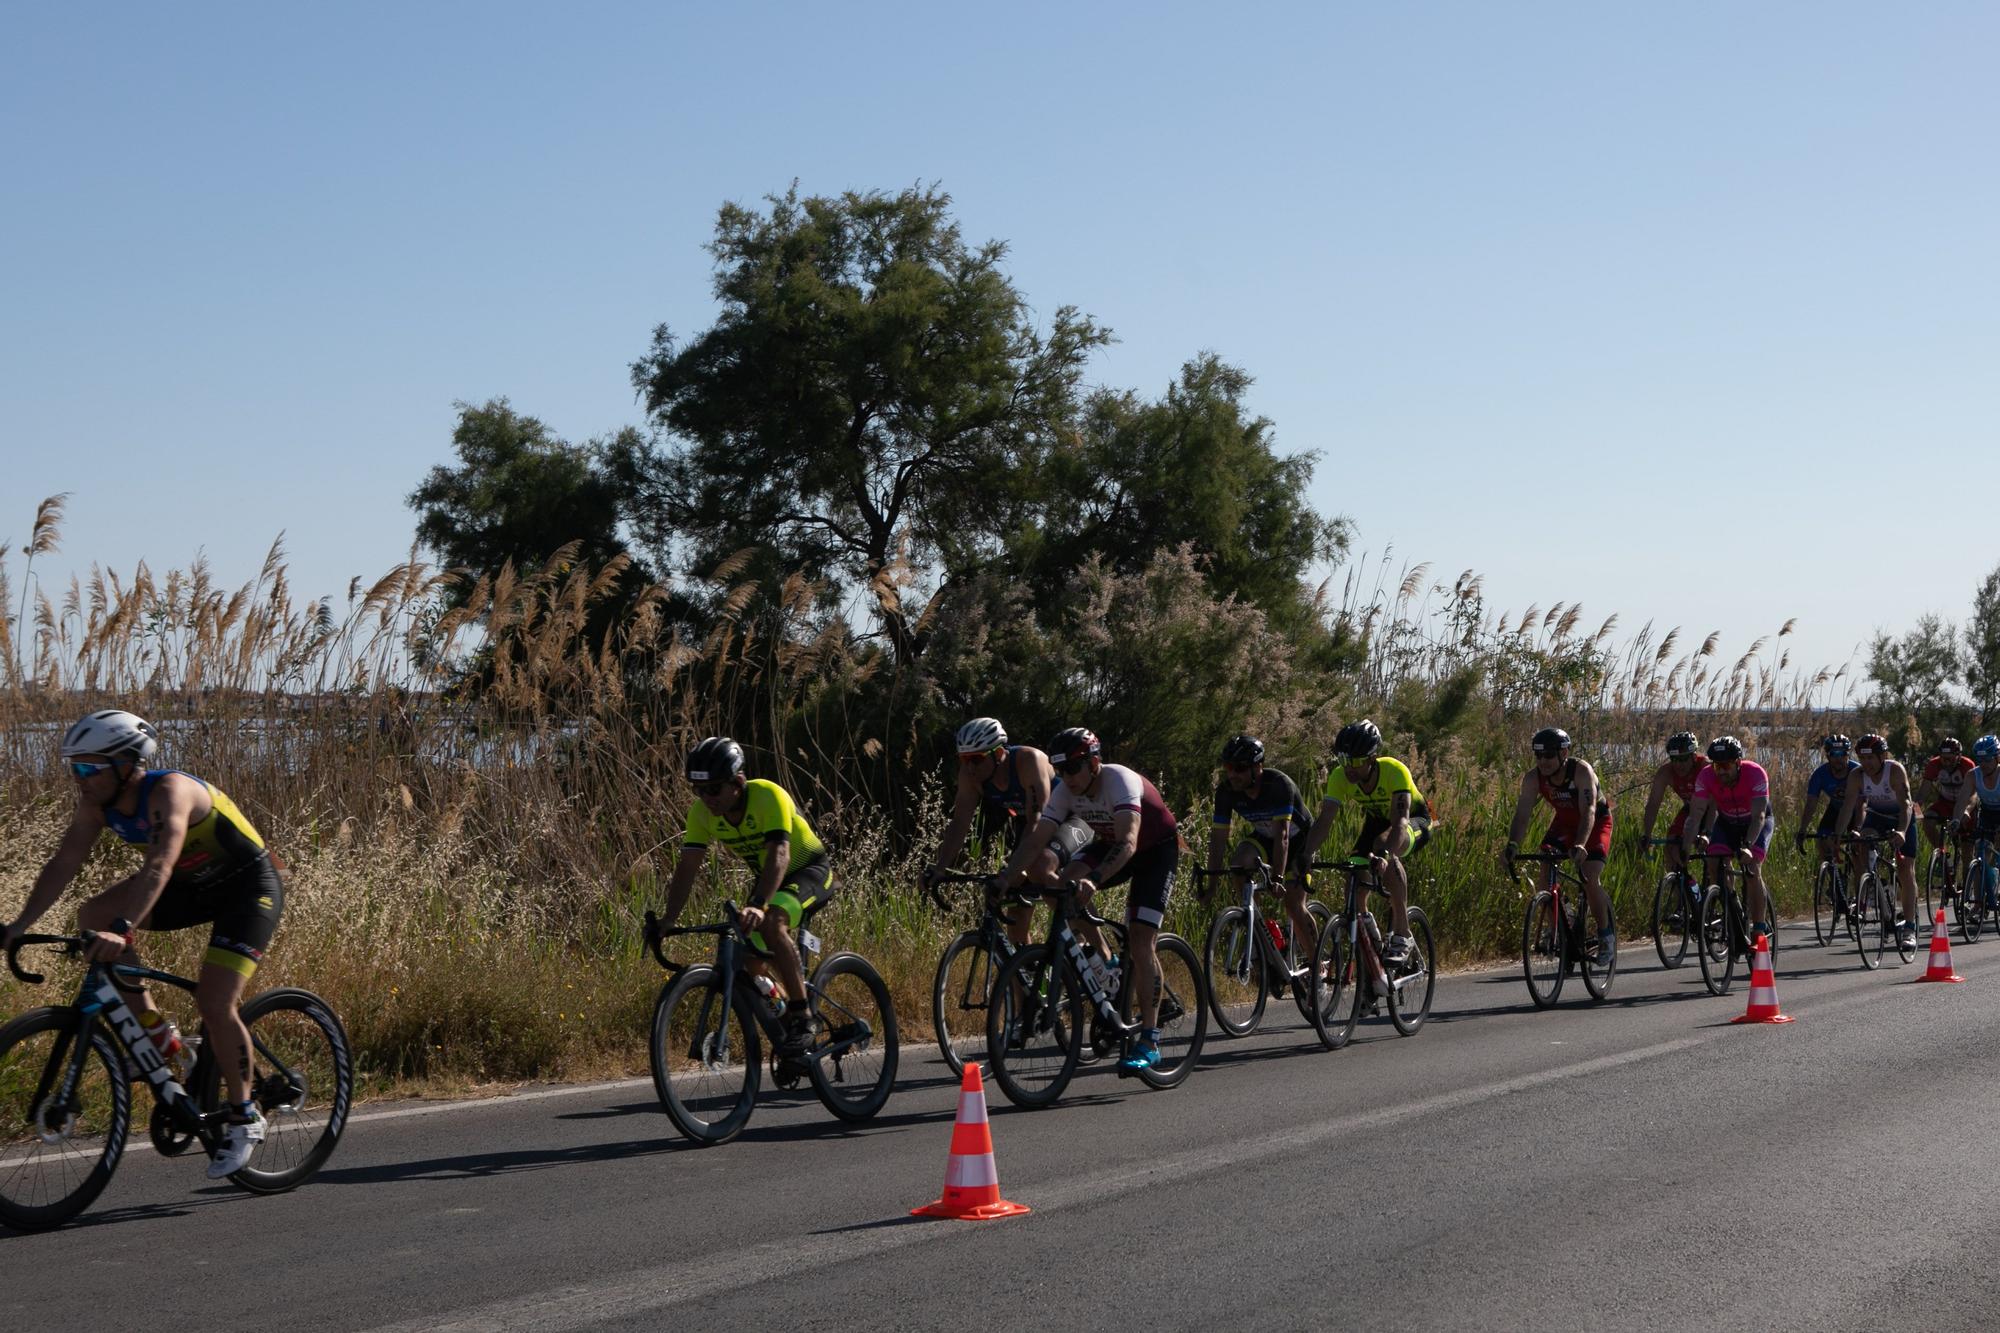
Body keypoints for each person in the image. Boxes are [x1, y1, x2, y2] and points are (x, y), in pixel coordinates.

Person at [2, 709, 283, 1177]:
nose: (81, 779)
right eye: (75, 768)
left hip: (245, 888)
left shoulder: (170, 792)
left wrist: (125, 927)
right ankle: (156, 1032)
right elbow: (63, 862)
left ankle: (244, 1113)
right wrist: (19, 923)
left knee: (216, 1001)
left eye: (90, 768)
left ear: (128, 764)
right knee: (90, 915)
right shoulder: (96, 804)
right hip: (190, 888)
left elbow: (160, 863)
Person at [991, 728, 1180, 1073]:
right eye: (1060, 770)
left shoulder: (1118, 781)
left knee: (1140, 940)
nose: (1067, 777)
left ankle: (1150, 1040)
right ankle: (1105, 964)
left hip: (1152, 851)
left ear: (1094, 762)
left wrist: (1093, 880)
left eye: (1073, 768)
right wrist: (1005, 878)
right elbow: (1035, 843)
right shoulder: (1066, 790)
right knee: (1060, 885)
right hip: (1110, 843)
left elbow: (1128, 843)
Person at [659, 737, 832, 1077]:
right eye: (698, 790)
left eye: (713, 789)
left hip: (809, 870)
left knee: (772, 922)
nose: (706, 799)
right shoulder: (702, 814)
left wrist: (757, 904)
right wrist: (667, 919)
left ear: (738, 783)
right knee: (749, 961)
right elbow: (687, 868)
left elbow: (780, 856)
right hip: (771, 881)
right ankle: (791, 1039)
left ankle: (803, 1020)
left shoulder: (769, 795)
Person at [926, 717, 1094, 948]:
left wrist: (1014, 871)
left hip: (1070, 818)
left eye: (976, 759)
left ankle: (1089, 938)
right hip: (1030, 827)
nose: (969, 767)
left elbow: (1037, 822)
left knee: (1039, 867)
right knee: (1016, 921)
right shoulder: (970, 776)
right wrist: (939, 867)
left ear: (998, 754)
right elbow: (959, 824)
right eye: (964, 760)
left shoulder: (1028, 761)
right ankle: (1024, 975)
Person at [1292, 720, 1431, 983]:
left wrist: (1387, 856)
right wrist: (1307, 853)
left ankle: (1403, 935)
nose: (1349, 768)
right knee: (1353, 878)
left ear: (1372, 758)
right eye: (1344, 760)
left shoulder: (1394, 771)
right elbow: (1325, 820)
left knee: (1384, 848)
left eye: (1355, 762)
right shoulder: (1340, 776)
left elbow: (1400, 821)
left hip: (1414, 821)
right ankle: (1372, 949)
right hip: (1377, 823)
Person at [1204, 734, 1315, 981]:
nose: (1232, 774)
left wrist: (1277, 877)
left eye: (1240, 769)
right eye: (1228, 768)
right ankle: (1258, 931)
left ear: (1258, 767)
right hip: (1265, 835)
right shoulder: (1226, 791)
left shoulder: (1279, 785)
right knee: (1238, 863)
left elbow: (1283, 836)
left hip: (1298, 840)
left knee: (1293, 904)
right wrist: (1211, 882)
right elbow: (1218, 838)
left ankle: (1317, 967)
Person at [1506, 726, 1616, 961]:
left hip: (1595, 823)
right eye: (1538, 756)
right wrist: (1513, 845)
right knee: (1545, 869)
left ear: (1563, 753)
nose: (1542, 761)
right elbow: (1522, 815)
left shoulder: (1581, 771)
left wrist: (1581, 844)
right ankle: (1558, 920)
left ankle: (1606, 934)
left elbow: (1589, 811)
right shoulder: (1533, 778)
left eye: (1548, 755)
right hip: (1564, 823)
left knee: (1589, 876)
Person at [1681, 735, 1777, 944]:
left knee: (1752, 869)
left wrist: (1748, 846)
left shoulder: (1755, 773)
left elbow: (1759, 816)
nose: (1721, 771)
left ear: (1738, 763)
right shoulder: (1706, 777)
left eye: (1726, 765)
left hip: (1755, 824)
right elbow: (1695, 815)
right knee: (1714, 862)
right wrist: (1685, 846)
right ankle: (1730, 906)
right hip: (1727, 822)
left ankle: (1759, 928)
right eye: (1717, 766)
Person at [1835, 733, 1919, 950]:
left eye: (1871, 758)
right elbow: (1848, 807)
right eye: (1862, 759)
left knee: (1905, 869)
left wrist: (1901, 831)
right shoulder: (1856, 775)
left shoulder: (1895, 771)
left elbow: (1907, 805)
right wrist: (1839, 835)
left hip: (1901, 817)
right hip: (1877, 816)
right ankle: (1873, 886)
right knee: (1862, 842)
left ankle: (1909, 927)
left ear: (1882, 756)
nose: (1866, 764)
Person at [1637, 731, 1708, 877]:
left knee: (1718, 856)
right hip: (1690, 810)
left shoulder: (1705, 768)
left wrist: (1707, 832)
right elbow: (1653, 805)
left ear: (1694, 757)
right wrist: (1647, 834)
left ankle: (1729, 893)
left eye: (1683, 759)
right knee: (1671, 846)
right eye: (1674, 759)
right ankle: (1682, 891)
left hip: (1713, 810)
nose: (1678, 764)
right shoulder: (1665, 772)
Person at [1948, 735, 2000, 910]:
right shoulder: (1973, 775)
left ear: (1997, 758)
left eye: (1987, 760)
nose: (1983, 764)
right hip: (1988, 814)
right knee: (1980, 854)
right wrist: (1956, 820)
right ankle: (1979, 904)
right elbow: (1962, 800)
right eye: (1980, 760)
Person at [1795, 734, 1860, 861]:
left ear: (1848, 755)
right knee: (1823, 841)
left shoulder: (1857, 771)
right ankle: (1832, 875)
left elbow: (1865, 803)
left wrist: (1858, 828)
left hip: (1858, 809)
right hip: (1836, 808)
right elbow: (1811, 805)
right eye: (1834, 754)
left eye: (1842, 754)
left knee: (1858, 848)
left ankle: (1860, 878)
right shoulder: (1820, 774)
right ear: (1827, 756)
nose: (1838, 758)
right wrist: (1802, 830)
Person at [1919, 737, 1977, 877]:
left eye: (1950, 759)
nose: (1946, 763)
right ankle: (1943, 854)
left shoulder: (1967, 765)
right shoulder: (1934, 764)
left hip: (1965, 804)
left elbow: (1974, 794)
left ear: (1959, 756)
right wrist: (1914, 811)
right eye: (1943, 759)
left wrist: (1967, 811)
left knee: (1967, 854)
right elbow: (1923, 792)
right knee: (1928, 820)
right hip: (1945, 803)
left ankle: (1966, 891)